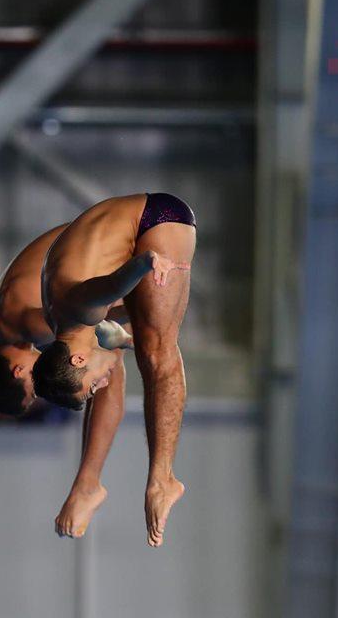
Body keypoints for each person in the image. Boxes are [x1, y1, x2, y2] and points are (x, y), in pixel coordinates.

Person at [34, 193, 196, 547]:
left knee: (158, 351)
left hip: (157, 222)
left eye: (92, 386)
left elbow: (108, 287)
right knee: (144, 345)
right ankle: (100, 483)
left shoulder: (82, 311)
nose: (101, 384)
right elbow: (120, 319)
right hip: (141, 227)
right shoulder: (65, 322)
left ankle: (162, 479)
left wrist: (146, 263)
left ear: (78, 360)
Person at [0, 224, 132, 538]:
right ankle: (88, 481)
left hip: (98, 237)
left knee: (102, 369)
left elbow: (90, 317)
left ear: (18, 372)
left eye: (35, 388)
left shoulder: (25, 326)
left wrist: (138, 315)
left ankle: (88, 482)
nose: (42, 383)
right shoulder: (7, 327)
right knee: (95, 365)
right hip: (90, 242)